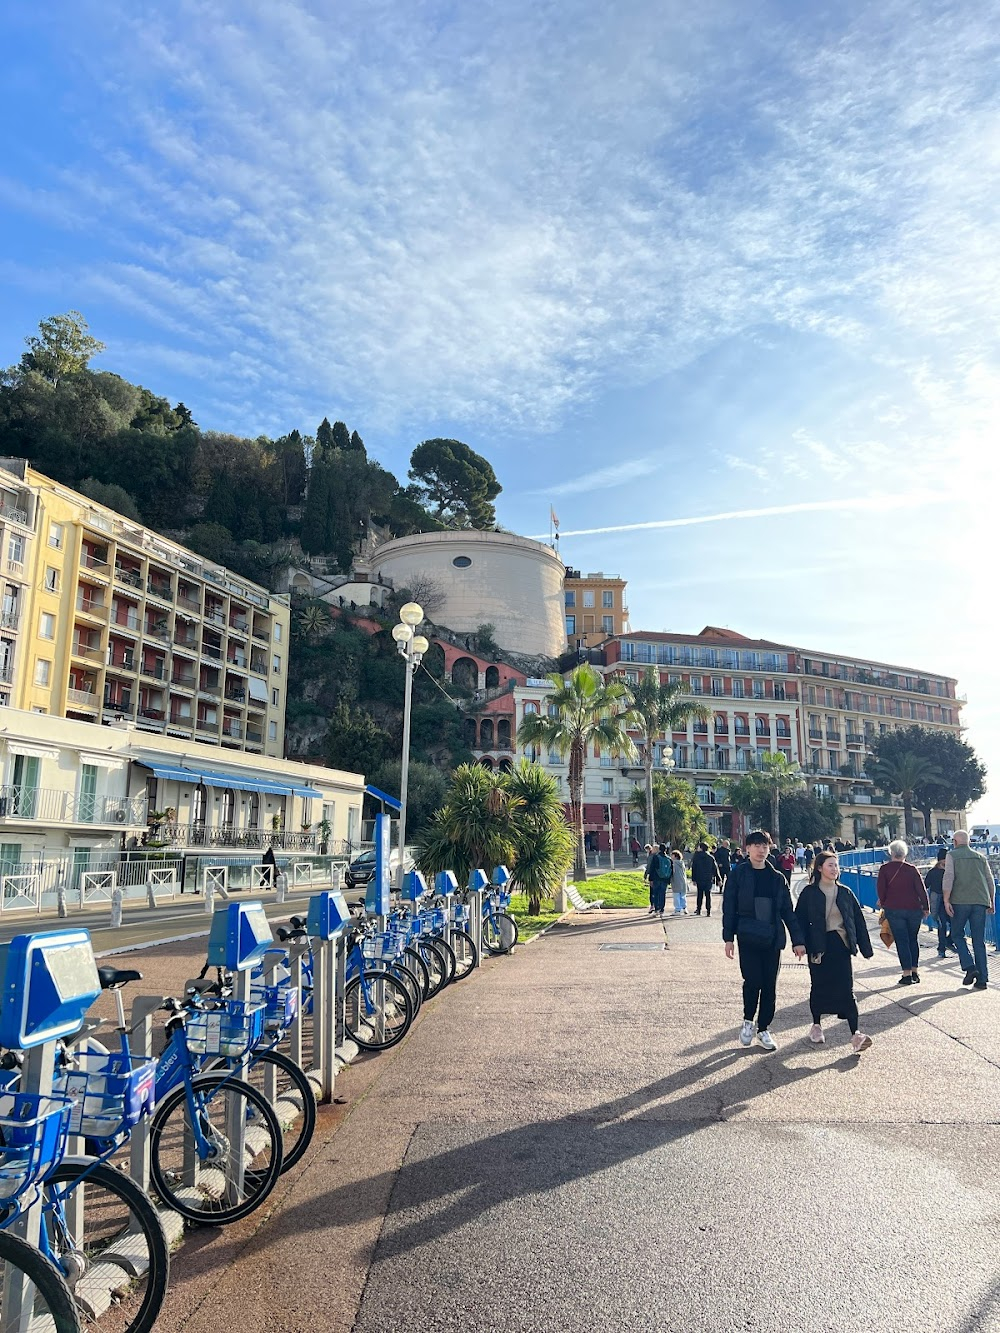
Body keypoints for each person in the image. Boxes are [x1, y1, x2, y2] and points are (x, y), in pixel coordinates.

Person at [722, 831, 806, 1052]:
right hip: (748, 936)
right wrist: (728, 938)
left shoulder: (777, 877)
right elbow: (729, 907)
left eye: (764, 846)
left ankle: (764, 1029)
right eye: (756, 845)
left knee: (770, 985)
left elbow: (788, 911)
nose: (761, 850)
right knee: (753, 981)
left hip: (772, 937)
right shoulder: (738, 874)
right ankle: (748, 1021)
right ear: (747, 848)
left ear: (769, 849)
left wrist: (798, 940)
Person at [794, 851, 874, 1054]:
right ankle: (816, 1025)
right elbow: (799, 920)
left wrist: (865, 948)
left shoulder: (845, 892)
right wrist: (799, 943)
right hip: (818, 945)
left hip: (841, 944)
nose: (834, 869)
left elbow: (857, 921)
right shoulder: (809, 893)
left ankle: (856, 1034)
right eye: (830, 865)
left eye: (836, 865)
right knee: (819, 986)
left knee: (847, 988)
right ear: (819, 868)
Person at [943, 830, 996, 990]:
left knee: (957, 934)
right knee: (978, 941)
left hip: (960, 901)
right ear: (969, 842)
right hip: (980, 901)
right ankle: (982, 979)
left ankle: (969, 967)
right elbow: (989, 879)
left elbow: (949, 877)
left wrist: (946, 900)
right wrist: (991, 901)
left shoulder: (952, 855)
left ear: (954, 842)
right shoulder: (980, 857)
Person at [876, 840, 929, 986]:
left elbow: (881, 890)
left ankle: (906, 974)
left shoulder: (885, 869)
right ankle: (915, 972)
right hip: (914, 910)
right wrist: (926, 907)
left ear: (891, 853)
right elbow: (921, 889)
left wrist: (884, 901)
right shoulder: (912, 869)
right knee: (913, 939)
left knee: (902, 940)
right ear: (905, 853)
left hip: (894, 909)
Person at [924, 847, 952, 958]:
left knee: (956, 925)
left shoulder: (950, 871)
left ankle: (948, 941)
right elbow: (925, 885)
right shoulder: (933, 872)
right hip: (938, 902)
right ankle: (942, 949)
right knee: (942, 925)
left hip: (950, 901)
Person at [691, 842, 720, 916]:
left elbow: (694, 868)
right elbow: (715, 869)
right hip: (708, 878)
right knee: (708, 895)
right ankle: (708, 911)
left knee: (700, 895)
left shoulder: (696, 857)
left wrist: (693, 879)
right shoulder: (711, 857)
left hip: (699, 878)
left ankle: (699, 909)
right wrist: (718, 879)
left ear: (701, 848)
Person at [645, 844, 670, 916]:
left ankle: (656, 909)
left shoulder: (656, 857)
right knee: (662, 894)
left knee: (656, 894)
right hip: (664, 879)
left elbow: (652, 869)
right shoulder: (668, 859)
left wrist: (651, 879)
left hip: (656, 878)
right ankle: (662, 910)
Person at [669, 850, 689, 915]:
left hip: (676, 881)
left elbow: (672, 873)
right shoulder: (682, 863)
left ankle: (677, 909)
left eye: (672, 855)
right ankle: (684, 908)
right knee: (683, 896)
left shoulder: (673, 864)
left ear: (675, 856)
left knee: (676, 896)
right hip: (683, 881)